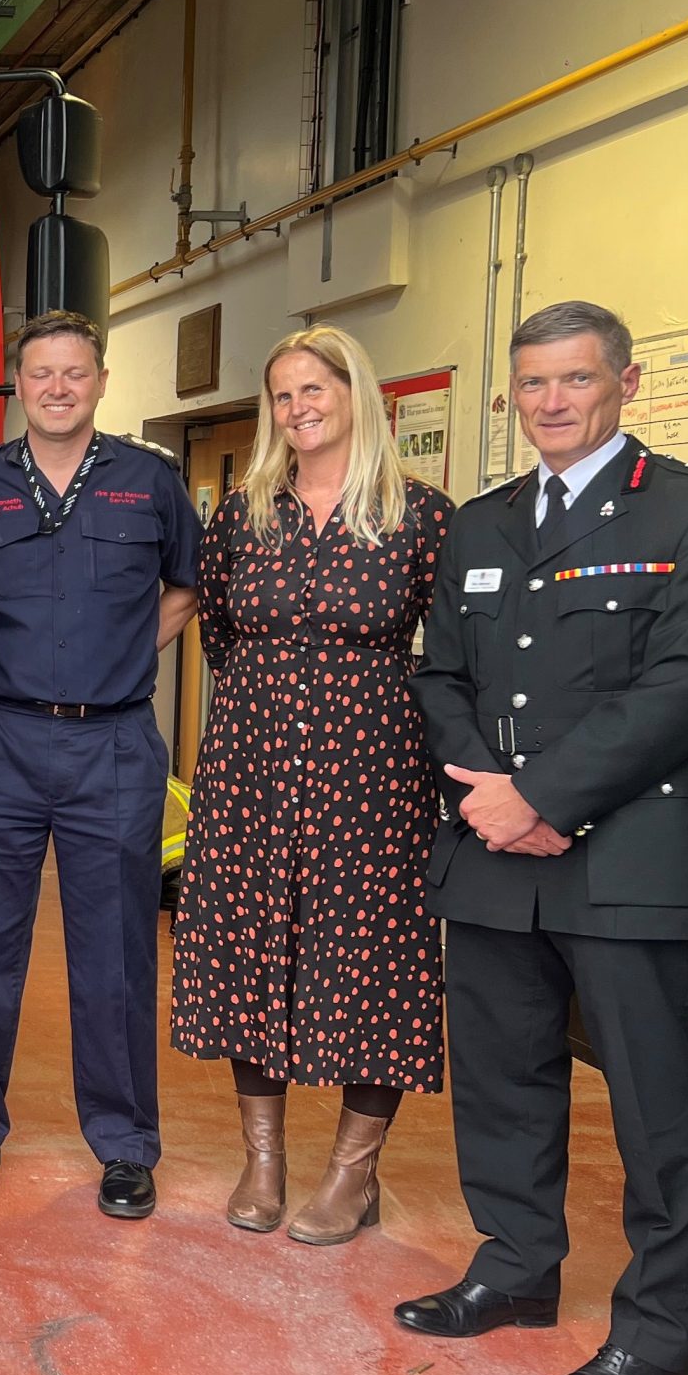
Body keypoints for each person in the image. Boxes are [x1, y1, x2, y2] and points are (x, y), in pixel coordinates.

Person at [401, 299, 688, 1375]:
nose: (551, 403)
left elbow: (685, 684)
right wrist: (495, 803)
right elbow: (441, 678)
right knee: (504, 1082)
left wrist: (544, 798)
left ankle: (655, 1336)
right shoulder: (482, 521)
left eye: (574, 381)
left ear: (625, 383)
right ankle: (515, 1269)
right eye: (533, 386)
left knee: (657, 1110)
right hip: (497, 851)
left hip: (628, 853)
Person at [168, 327, 455, 1243]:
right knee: (251, 950)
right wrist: (275, 701)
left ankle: (351, 1172)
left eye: (314, 390)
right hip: (250, 766)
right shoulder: (244, 513)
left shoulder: (420, 514)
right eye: (283, 396)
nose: (299, 410)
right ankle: (263, 1160)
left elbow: (451, 652)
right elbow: (217, 631)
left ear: (354, 393)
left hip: (374, 769)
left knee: (370, 959)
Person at [0, 311, 199, 1219]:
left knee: (116, 953)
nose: (58, 388)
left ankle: (126, 1147)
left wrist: (128, 655)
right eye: (41, 373)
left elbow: (186, 586)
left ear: (100, 379)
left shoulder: (151, 481)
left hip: (115, 744)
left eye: (75, 373)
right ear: (19, 384)